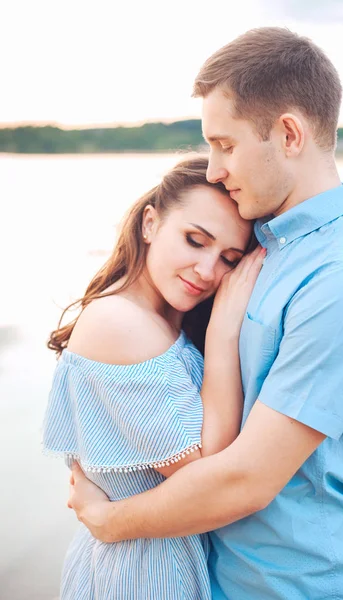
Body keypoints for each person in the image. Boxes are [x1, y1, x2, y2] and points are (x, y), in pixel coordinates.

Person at [68, 28, 343, 599]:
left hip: (302, 587)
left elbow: (246, 481)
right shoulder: (257, 250)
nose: (215, 168)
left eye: (226, 144)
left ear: (289, 134)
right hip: (218, 578)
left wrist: (107, 522)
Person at [42, 154, 264, 599]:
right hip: (137, 575)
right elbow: (207, 471)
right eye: (195, 240)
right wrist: (223, 332)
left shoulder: (166, 319)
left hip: (161, 559)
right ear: (149, 224)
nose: (208, 271)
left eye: (229, 259)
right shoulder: (118, 322)